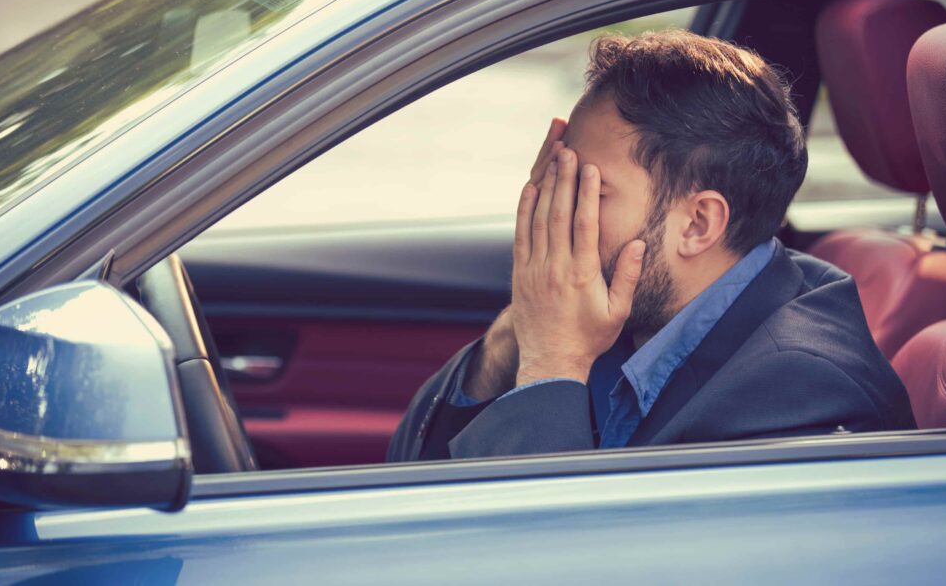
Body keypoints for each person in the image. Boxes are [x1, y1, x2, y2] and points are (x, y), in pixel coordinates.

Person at [387, 29, 915, 462]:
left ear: (698, 224)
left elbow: (551, 561)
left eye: (589, 188)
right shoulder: (636, 309)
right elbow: (411, 466)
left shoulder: (800, 397)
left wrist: (554, 362)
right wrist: (518, 331)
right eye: (557, 179)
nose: (556, 209)